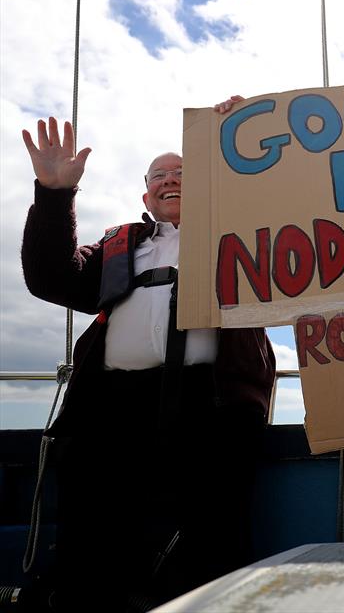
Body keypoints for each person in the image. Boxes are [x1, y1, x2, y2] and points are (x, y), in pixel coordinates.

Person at [20, 116, 276, 610]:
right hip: (113, 410)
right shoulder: (119, 244)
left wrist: (247, 130)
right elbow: (51, 278)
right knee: (94, 544)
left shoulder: (238, 232)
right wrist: (54, 195)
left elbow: (287, 207)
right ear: (146, 198)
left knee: (212, 540)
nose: (169, 179)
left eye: (181, 172)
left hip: (212, 409)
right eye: (157, 176)